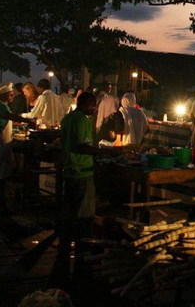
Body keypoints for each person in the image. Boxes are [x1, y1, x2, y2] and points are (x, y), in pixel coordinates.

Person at [53, 92, 133, 276]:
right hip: (82, 171)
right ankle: (81, 254)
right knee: (84, 215)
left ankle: (64, 249)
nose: (94, 108)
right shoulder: (81, 120)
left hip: (70, 170)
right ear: (85, 104)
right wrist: (105, 153)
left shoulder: (67, 119)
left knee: (69, 213)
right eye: (92, 105)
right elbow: (82, 146)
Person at [0, 83, 36, 213]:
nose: (13, 96)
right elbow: (10, 116)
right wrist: (29, 121)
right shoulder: (1, 107)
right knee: (0, 175)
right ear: (5, 96)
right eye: (11, 95)